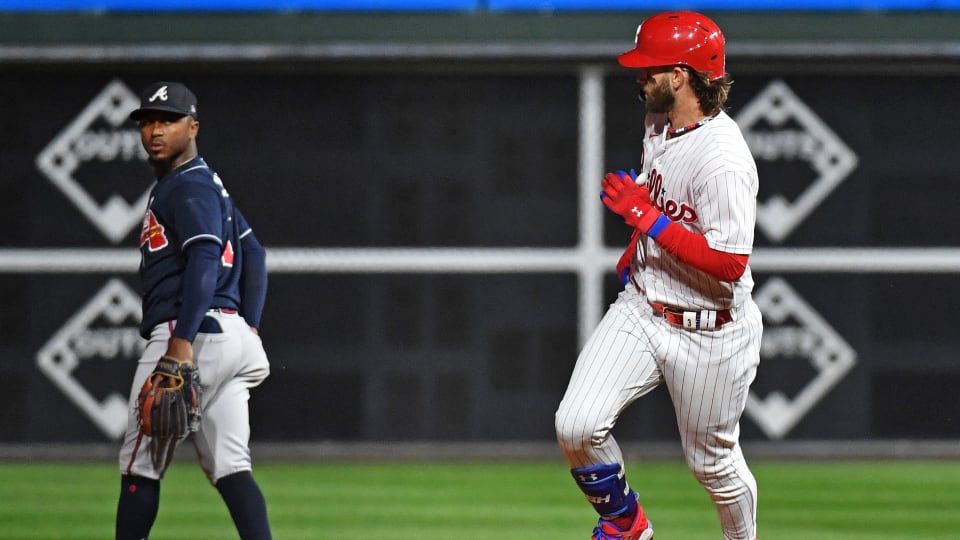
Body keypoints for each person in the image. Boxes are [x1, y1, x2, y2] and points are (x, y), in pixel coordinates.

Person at [555, 11, 763, 540]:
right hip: (645, 307)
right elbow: (664, 202)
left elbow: (729, 262)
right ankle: (627, 526)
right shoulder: (661, 124)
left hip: (710, 331)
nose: (639, 76)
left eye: (650, 68)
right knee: (576, 424)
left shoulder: (725, 160)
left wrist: (647, 218)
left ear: (682, 74)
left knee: (713, 468)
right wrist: (641, 234)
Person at [115, 81, 273, 540]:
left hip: (188, 335)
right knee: (230, 466)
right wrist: (252, 329)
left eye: (167, 120)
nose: (154, 130)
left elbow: (204, 257)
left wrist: (181, 345)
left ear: (193, 126)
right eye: (147, 121)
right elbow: (255, 255)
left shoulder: (186, 186)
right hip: (231, 338)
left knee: (140, 465)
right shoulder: (210, 187)